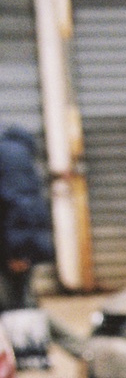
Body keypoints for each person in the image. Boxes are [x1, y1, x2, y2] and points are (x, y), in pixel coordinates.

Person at [0, 123, 53, 364]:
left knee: (20, 307)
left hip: (11, 248)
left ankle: (83, 350)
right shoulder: (15, 152)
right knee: (20, 305)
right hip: (11, 244)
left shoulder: (8, 154)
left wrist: (19, 251)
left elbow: (19, 204)